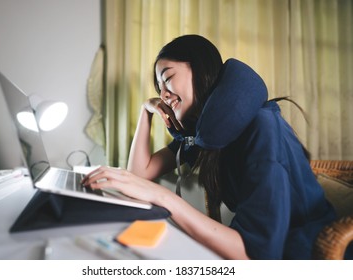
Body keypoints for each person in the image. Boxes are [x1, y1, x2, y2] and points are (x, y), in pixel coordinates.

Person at [82, 34, 343, 260]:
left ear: (201, 70)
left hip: (309, 254)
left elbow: (255, 255)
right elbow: (140, 175)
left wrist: (161, 197)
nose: (163, 94)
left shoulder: (261, 128)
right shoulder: (209, 131)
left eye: (168, 78)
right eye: (158, 88)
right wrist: (146, 111)